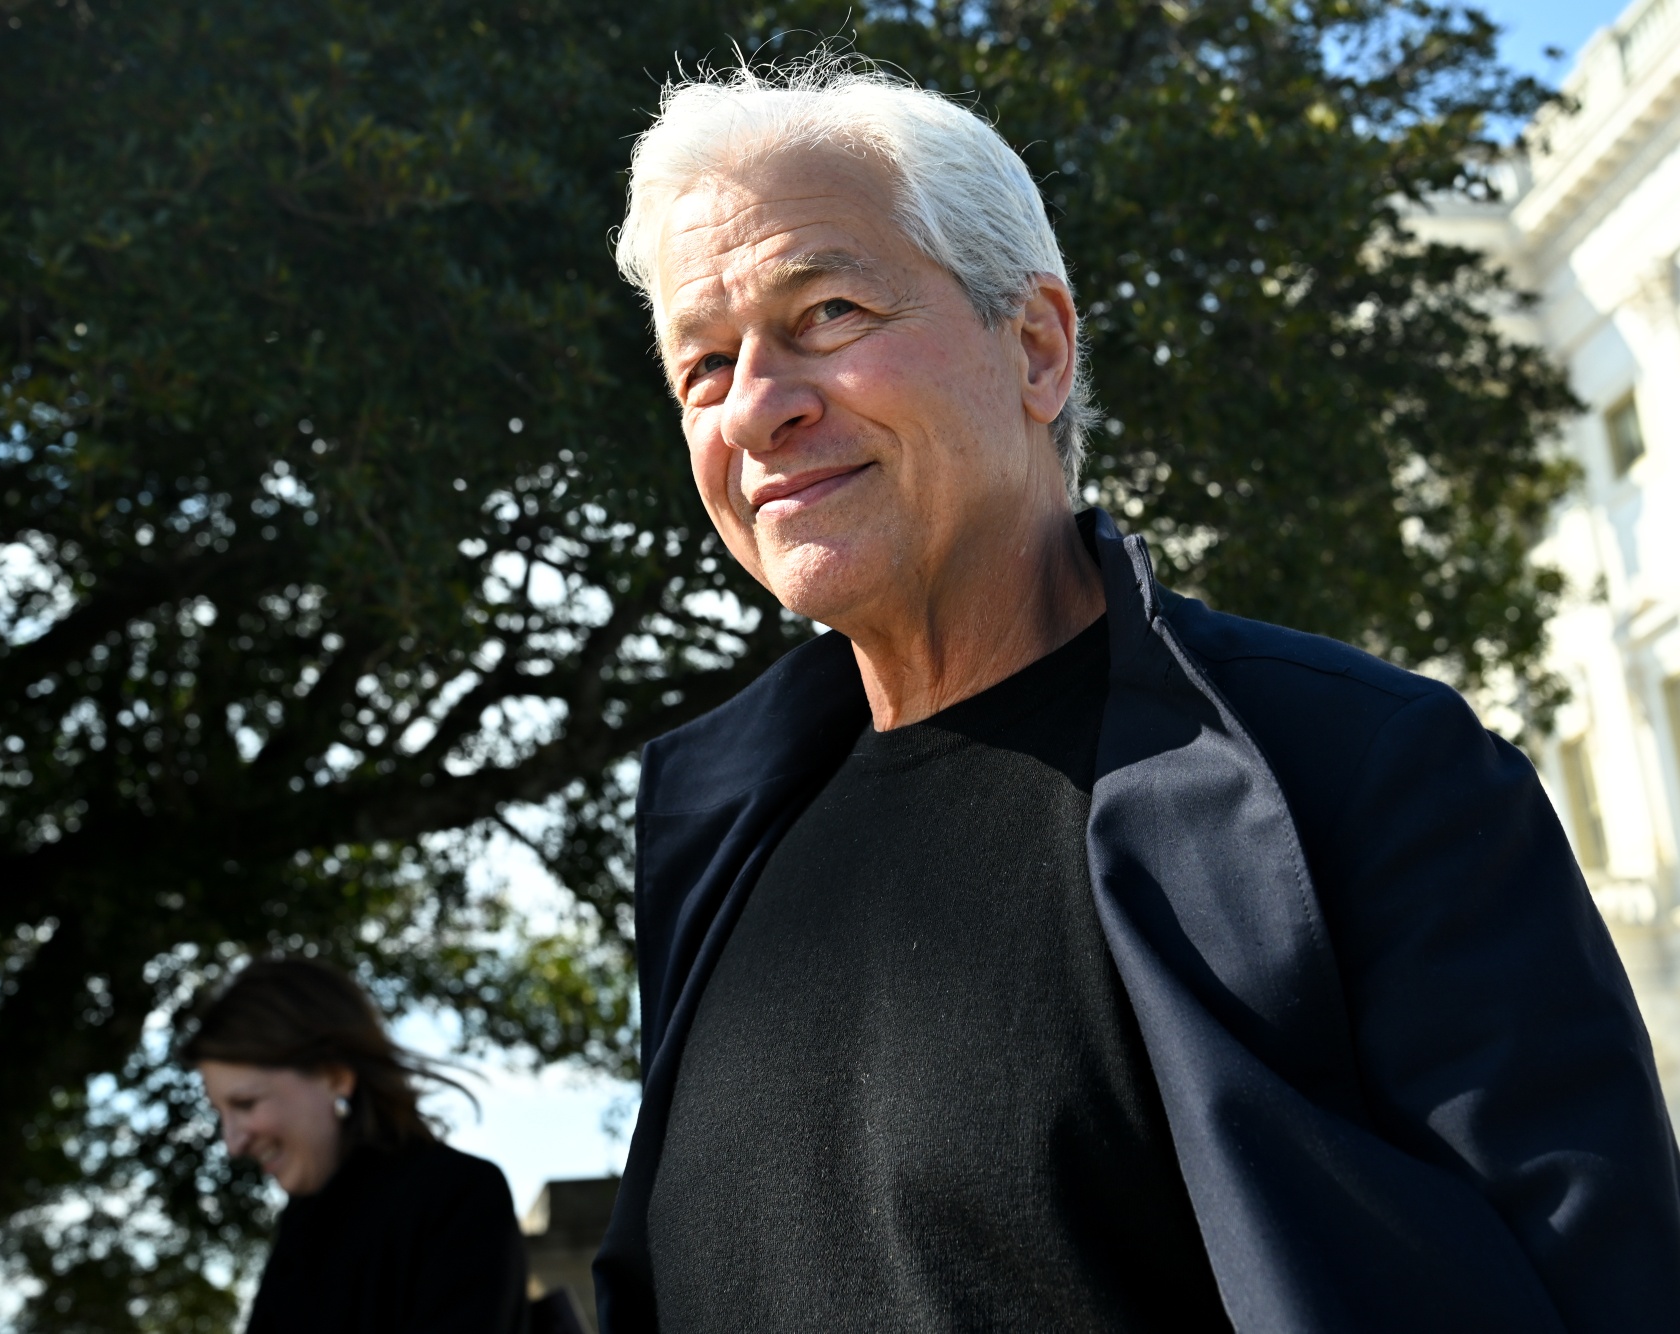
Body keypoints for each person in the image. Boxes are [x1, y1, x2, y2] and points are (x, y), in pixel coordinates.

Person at [591, 57, 1680, 1333]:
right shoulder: (714, 846)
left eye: (825, 311)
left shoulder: (1356, 773)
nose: (757, 408)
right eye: (703, 365)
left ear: (1037, 349)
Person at [184, 957, 532, 1334]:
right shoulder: (302, 1224)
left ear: (335, 1076)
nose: (233, 1143)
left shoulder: (457, 1196)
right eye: (221, 1112)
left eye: (246, 1104)